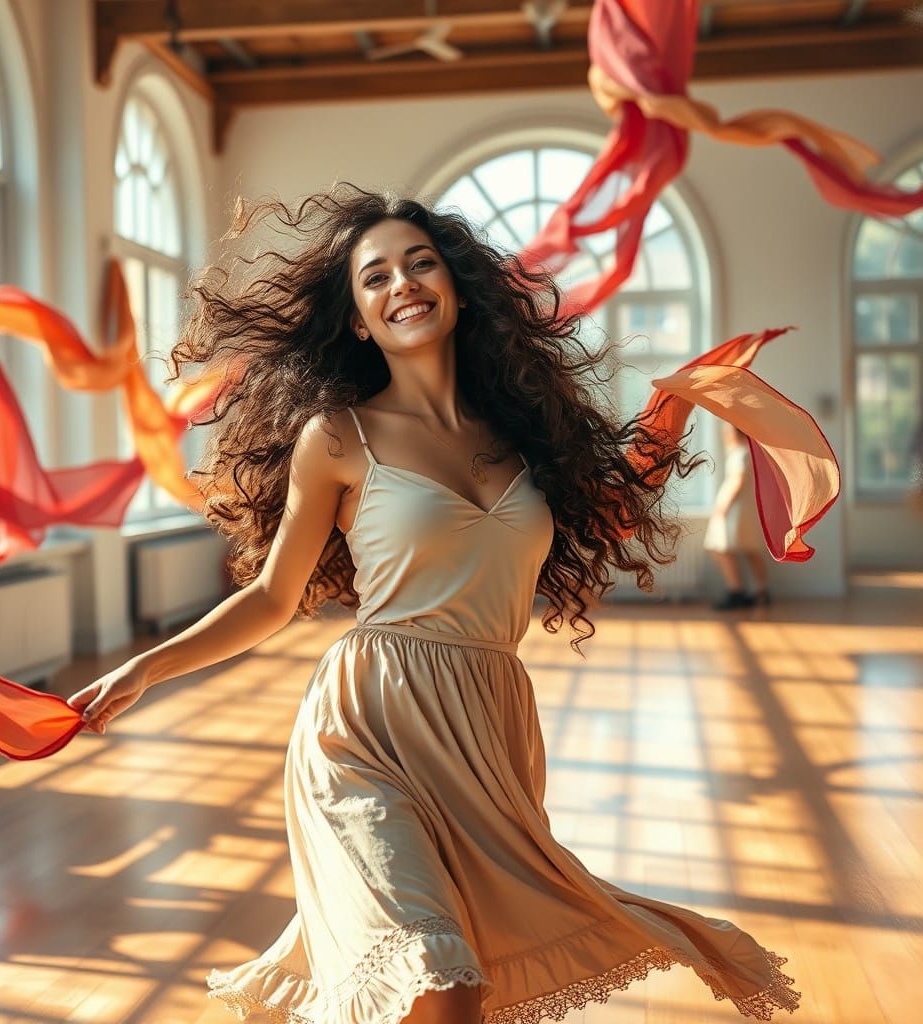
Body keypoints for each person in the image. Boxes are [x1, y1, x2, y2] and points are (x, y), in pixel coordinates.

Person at [67, 184, 799, 1023]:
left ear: (457, 289)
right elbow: (272, 596)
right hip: (366, 730)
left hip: (488, 731)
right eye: (375, 277)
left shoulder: (524, 435)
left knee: (465, 991)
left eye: (420, 264)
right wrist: (146, 668)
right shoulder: (337, 437)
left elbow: (611, 513)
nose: (402, 284)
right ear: (357, 320)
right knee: (435, 978)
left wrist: (679, 402)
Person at [703, 421, 771, 610]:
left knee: (723, 548)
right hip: (742, 508)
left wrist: (723, 505)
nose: (724, 433)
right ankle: (759, 591)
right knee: (748, 549)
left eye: (727, 430)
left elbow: (738, 480)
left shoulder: (741, 454)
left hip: (735, 509)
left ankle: (737, 591)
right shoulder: (744, 453)